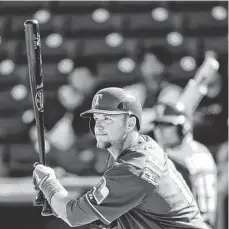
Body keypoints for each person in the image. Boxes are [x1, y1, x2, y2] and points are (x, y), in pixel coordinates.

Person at [33, 87, 210, 229]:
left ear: (131, 123)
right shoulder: (139, 147)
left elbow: (74, 216)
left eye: (108, 119)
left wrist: (48, 183)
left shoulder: (133, 167)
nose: (98, 126)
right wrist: (56, 203)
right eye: (96, 118)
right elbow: (108, 216)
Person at [153, 102, 217, 228]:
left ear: (183, 128)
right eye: (157, 125)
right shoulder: (199, 149)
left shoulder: (180, 159)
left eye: (167, 125)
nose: (159, 131)